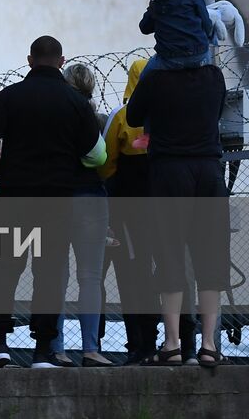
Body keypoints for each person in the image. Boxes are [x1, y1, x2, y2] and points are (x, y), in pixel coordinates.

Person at [0, 36, 106, 369]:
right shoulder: (75, 103)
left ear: (30, 60)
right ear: (61, 62)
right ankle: (43, 351)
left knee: (3, 272)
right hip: (56, 202)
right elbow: (97, 155)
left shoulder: (9, 97)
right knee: (49, 274)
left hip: (14, 196)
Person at [125, 61, 230, 368]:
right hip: (209, 170)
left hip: (169, 171)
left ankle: (172, 344)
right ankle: (209, 345)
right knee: (211, 258)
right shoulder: (213, 76)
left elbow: (133, 115)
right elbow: (218, 109)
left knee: (169, 256)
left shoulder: (155, 78)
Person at [99, 58, 161, 364]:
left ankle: (139, 344)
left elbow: (105, 161)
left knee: (130, 276)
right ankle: (174, 342)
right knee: (165, 274)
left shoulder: (122, 116)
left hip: (128, 211)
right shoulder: (167, 114)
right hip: (164, 208)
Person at [50, 63, 111, 367]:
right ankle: (91, 348)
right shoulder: (96, 119)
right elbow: (101, 158)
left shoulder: (50, 117)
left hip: (58, 198)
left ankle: (56, 348)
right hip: (90, 198)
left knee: (55, 277)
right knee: (90, 277)